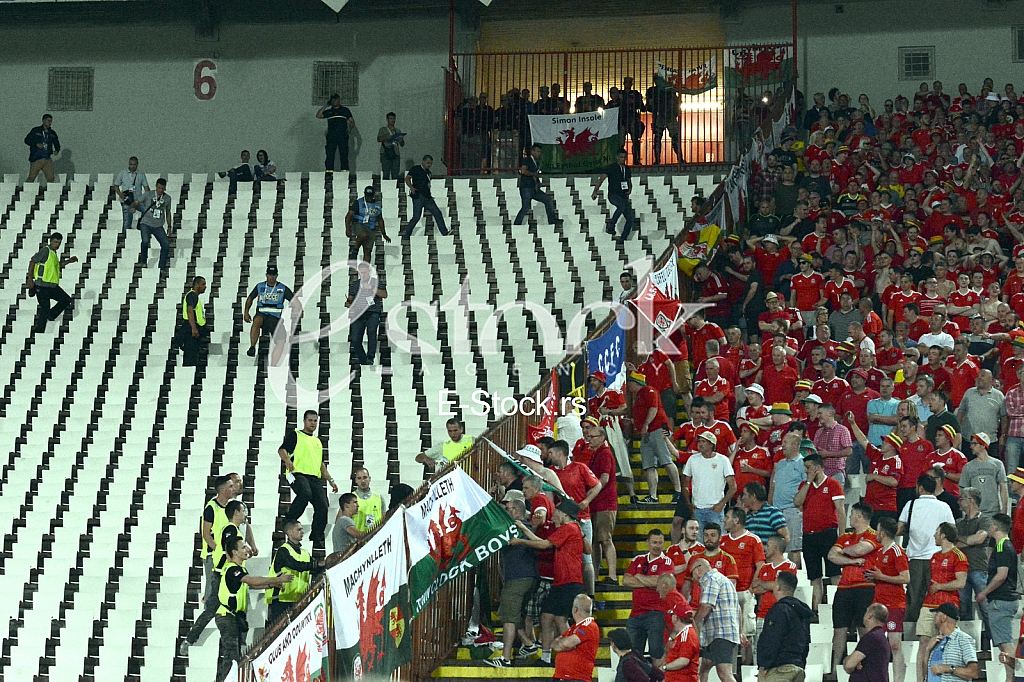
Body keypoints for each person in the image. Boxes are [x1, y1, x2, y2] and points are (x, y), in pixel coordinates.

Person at [510, 498, 586, 665]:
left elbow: (544, 545)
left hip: (570, 581)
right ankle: (546, 657)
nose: (554, 514)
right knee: (546, 617)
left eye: (557, 511)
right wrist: (523, 528)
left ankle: (573, 656)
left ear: (565, 514)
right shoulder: (570, 528)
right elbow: (542, 542)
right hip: (561, 581)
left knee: (560, 618)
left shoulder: (569, 528)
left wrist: (521, 540)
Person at [213, 536, 293, 682]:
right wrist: (278, 580)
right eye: (243, 547)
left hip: (233, 617)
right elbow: (253, 581)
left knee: (232, 656)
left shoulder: (238, 570)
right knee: (231, 657)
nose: (247, 549)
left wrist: (271, 585)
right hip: (227, 616)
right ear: (234, 552)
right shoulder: (233, 570)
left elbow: (253, 585)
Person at [179, 475, 234, 656]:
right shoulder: (211, 508)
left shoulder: (234, 509)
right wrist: (221, 552)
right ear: (223, 489)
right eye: (231, 486)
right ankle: (193, 637)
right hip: (215, 557)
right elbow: (206, 534)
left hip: (231, 558)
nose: (234, 489)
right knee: (213, 600)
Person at [826, 502, 881, 682]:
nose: (849, 518)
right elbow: (831, 555)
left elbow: (860, 549)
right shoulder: (846, 536)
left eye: (851, 515)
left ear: (859, 515)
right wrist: (852, 561)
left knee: (864, 628)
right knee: (838, 630)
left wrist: (846, 553)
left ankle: (868, 666)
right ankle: (835, 670)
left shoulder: (873, 535)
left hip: (865, 587)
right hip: (844, 588)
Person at [488, 498, 539, 668]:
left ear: (516, 511)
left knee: (509, 618)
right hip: (528, 578)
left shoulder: (514, 527)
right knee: (511, 613)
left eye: (508, 509)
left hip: (518, 578)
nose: (506, 512)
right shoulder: (525, 527)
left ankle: (506, 658)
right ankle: (528, 643)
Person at [899, 474, 956, 625]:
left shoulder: (910, 505)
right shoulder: (944, 507)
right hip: (937, 559)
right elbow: (952, 531)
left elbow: (899, 529)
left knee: (914, 597)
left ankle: (910, 632)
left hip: (915, 559)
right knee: (936, 596)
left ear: (921, 488)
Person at [278, 409, 339, 551]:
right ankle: (288, 519)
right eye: (310, 420)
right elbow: (282, 450)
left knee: (323, 505)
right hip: (297, 473)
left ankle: (316, 536)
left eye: (315, 421)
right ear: (304, 421)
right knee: (305, 493)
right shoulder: (296, 435)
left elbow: (320, 464)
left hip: (314, 477)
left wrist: (330, 480)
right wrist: (287, 461)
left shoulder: (317, 441)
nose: (313, 423)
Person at [915, 522, 968, 682]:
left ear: (944, 535)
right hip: (929, 604)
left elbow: (961, 583)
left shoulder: (958, 556)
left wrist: (940, 587)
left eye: (937, 532)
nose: (934, 536)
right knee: (924, 642)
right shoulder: (934, 556)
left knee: (944, 644)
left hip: (948, 606)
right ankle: (921, 679)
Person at [793, 453, 845, 615]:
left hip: (828, 534)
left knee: (835, 573)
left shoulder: (833, 484)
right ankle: (815, 611)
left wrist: (842, 537)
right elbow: (797, 502)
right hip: (809, 535)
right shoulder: (805, 485)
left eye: (808, 468)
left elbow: (841, 511)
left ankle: (839, 607)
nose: (806, 471)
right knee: (814, 576)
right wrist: (808, 481)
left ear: (817, 467)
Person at [863, 517, 909, 682]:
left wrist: (881, 576)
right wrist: (874, 578)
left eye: (877, 529)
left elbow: (905, 577)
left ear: (882, 532)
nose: (875, 532)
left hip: (894, 603)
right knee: (876, 644)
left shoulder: (897, 551)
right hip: (878, 603)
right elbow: (884, 577)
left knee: (894, 645)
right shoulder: (880, 552)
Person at [628, 372, 683, 506]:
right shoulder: (639, 396)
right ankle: (653, 496)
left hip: (658, 429)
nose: (628, 385)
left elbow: (653, 408)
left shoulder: (649, 390)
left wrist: (646, 423)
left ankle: (678, 491)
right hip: (646, 434)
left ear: (635, 383)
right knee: (649, 465)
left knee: (666, 460)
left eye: (630, 382)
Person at [976, 513, 1019, 682]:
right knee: (1003, 642)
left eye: (991, 525)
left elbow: (1001, 575)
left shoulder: (1002, 546)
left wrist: (984, 592)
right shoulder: (1005, 545)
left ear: (995, 527)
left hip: (1001, 600)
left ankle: (1011, 678)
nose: (989, 528)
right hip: (1004, 600)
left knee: (1005, 642)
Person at [624, 529, 674, 663]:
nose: (657, 546)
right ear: (647, 543)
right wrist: (650, 582)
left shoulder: (667, 561)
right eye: (654, 542)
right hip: (635, 614)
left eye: (660, 543)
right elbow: (626, 580)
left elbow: (661, 582)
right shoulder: (638, 559)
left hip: (655, 613)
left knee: (656, 652)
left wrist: (639, 576)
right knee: (633, 654)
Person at [690, 558, 741, 682]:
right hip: (720, 634)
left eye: (692, 575)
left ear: (698, 570)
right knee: (704, 668)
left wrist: (693, 623)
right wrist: (740, 631)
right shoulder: (724, 579)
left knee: (724, 673)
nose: (694, 580)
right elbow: (738, 609)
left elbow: (706, 605)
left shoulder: (711, 580)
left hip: (720, 634)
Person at [756, 571, 812, 682]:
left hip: (779, 670)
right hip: (798, 667)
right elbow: (806, 641)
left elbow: (771, 639)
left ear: (778, 587)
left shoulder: (779, 610)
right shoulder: (802, 612)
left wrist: (764, 665)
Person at [265, 519, 319, 626]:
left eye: (302, 529)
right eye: (299, 529)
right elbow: (295, 565)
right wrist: (319, 564)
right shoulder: (283, 551)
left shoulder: (305, 553)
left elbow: (316, 568)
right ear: (289, 532)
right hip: (281, 600)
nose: (302, 532)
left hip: (299, 599)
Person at [681, 432, 736, 534]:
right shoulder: (692, 459)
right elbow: (684, 484)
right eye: (699, 441)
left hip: (715, 510)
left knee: (718, 543)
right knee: (699, 545)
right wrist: (689, 504)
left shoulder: (723, 460)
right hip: (697, 510)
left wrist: (721, 504)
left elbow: (733, 487)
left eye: (704, 442)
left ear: (711, 444)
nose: (700, 444)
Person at [769, 432, 808, 569]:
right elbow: (773, 486)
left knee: (794, 548)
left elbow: (807, 488)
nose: (782, 445)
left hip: (793, 511)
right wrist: (770, 507)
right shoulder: (780, 464)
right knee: (776, 548)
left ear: (795, 445)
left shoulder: (803, 464)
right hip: (776, 512)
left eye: (785, 442)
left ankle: (797, 580)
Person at [26, 232, 77, 333]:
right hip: (42, 285)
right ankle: (39, 332)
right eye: (55, 242)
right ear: (51, 241)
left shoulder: (53, 254)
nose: (57, 244)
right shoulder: (46, 251)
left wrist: (69, 261)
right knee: (45, 308)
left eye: (59, 242)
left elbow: (57, 266)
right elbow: (32, 261)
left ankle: (51, 315)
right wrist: (30, 278)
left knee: (66, 299)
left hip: (52, 286)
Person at [954, 487, 991, 624]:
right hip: (961, 571)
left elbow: (978, 539)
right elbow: (953, 544)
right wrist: (970, 540)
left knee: (985, 608)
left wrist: (961, 539)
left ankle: (992, 642)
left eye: (961, 498)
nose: (958, 502)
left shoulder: (985, 520)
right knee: (963, 609)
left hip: (979, 568)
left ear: (971, 501)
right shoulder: (959, 522)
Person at [242, 266, 294, 358]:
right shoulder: (260, 286)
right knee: (257, 321)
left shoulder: (282, 288)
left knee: (281, 341)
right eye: (270, 275)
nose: (272, 277)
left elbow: (294, 300)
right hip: (262, 315)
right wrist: (246, 312)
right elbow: (250, 298)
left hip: (275, 319)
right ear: (266, 275)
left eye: (274, 275)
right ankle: (252, 347)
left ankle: (274, 362)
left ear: (277, 276)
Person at [922, 603, 980, 682]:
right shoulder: (935, 642)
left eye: (936, 615)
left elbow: (973, 672)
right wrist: (927, 650)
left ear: (943, 618)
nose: (934, 618)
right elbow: (926, 674)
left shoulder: (963, 639)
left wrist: (948, 668)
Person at [346, 262, 388, 366]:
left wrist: (372, 288)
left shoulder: (376, 282)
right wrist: (348, 303)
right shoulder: (355, 285)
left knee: (371, 333)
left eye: (364, 272)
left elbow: (384, 294)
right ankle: (363, 359)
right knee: (355, 339)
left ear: (368, 272)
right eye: (361, 272)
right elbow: (350, 298)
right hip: (358, 313)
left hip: (372, 312)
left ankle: (370, 357)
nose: (363, 274)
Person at [552, 595, 600, 682]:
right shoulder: (574, 627)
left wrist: (562, 643)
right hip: (562, 677)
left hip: (576, 678)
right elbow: (554, 644)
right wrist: (563, 644)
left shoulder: (589, 625)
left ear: (575, 609)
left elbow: (566, 643)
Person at [593, 149, 635, 244]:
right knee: (621, 206)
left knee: (630, 219)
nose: (623, 159)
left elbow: (629, 181)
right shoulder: (611, 168)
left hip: (623, 196)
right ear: (617, 157)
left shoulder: (627, 169)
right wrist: (595, 191)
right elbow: (601, 179)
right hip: (613, 194)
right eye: (621, 157)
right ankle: (611, 225)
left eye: (624, 157)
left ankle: (623, 238)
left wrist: (630, 189)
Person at [130, 178, 173, 270]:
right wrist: (133, 206)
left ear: (165, 188)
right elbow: (137, 202)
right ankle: (143, 261)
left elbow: (168, 212)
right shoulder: (148, 194)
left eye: (162, 188)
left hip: (158, 225)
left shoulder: (167, 198)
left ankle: (161, 267)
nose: (160, 190)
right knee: (145, 241)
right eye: (159, 188)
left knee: (166, 244)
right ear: (156, 187)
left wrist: (169, 226)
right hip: (146, 223)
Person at [960, 433, 1008, 516]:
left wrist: (1004, 508)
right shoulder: (968, 467)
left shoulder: (997, 464)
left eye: (974, 444)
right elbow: (963, 489)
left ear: (983, 445)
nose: (971, 446)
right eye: (971, 444)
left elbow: (1003, 487)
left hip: (993, 511)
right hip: (974, 512)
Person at [842, 602, 892, 682]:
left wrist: (850, 661)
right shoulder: (880, 637)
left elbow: (849, 665)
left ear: (870, 615)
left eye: (866, 611)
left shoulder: (871, 638)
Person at [403, 155, 449, 238]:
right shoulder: (415, 169)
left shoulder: (428, 173)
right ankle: (407, 235)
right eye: (428, 163)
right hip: (418, 196)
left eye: (431, 163)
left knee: (437, 213)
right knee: (416, 217)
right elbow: (407, 178)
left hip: (427, 197)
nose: (429, 165)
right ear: (423, 162)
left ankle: (445, 232)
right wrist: (411, 188)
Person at [514, 144, 559, 226]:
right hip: (526, 188)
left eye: (540, 152)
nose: (539, 154)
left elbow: (535, 175)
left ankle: (552, 219)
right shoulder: (527, 160)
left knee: (548, 199)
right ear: (532, 152)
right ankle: (516, 224)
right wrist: (533, 175)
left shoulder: (536, 163)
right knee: (526, 207)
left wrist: (538, 182)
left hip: (534, 188)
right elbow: (523, 171)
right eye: (537, 152)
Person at [345, 186, 391, 263]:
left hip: (371, 227)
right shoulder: (358, 203)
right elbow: (349, 216)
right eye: (367, 196)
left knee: (367, 251)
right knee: (363, 235)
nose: (368, 198)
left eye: (370, 196)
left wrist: (384, 234)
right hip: (358, 224)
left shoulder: (377, 206)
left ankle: (365, 270)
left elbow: (380, 219)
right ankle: (355, 250)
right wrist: (347, 229)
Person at [660, 603, 701, 681]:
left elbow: (683, 660)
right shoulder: (683, 634)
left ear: (675, 617)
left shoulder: (687, 635)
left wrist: (665, 667)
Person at [176, 276, 209, 368]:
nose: (205, 287)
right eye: (203, 284)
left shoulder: (194, 296)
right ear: (196, 285)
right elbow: (189, 310)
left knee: (192, 355)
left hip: (191, 327)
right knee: (190, 356)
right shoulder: (192, 295)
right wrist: (194, 329)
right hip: (190, 328)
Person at [317, 93, 355, 172]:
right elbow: (318, 115)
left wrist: (349, 130)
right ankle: (329, 172)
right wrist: (325, 106)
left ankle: (344, 172)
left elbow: (351, 121)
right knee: (330, 155)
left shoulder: (345, 110)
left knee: (344, 154)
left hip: (342, 136)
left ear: (339, 100)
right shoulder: (329, 111)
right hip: (331, 136)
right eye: (332, 100)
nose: (334, 101)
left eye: (336, 100)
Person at [113, 157, 150, 235]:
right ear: (129, 164)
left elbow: (146, 187)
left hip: (138, 200)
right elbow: (116, 185)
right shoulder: (122, 174)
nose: (132, 166)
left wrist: (146, 199)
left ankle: (144, 229)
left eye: (134, 165)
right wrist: (120, 194)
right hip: (127, 200)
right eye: (131, 164)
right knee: (127, 221)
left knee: (147, 211)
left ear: (137, 165)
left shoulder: (141, 174)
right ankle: (125, 237)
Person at [24, 113, 60, 183]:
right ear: (43, 121)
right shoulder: (36, 130)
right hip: (36, 158)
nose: (50, 123)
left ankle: (51, 192)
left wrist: (57, 150)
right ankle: (25, 191)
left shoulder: (52, 133)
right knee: (31, 177)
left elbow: (57, 143)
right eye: (48, 121)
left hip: (47, 159)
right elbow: (27, 140)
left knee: (51, 178)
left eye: (51, 121)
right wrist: (36, 144)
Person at [351, 467, 384, 532]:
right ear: (356, 481)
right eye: (359, 478)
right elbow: (341, 521)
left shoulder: (379, 498)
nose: (363, 481)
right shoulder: (350, 498)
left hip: (375, 538)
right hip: (357, 540)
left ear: (369, 479)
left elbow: (384, 520)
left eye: (365, 477)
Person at [377, 112, 405, 180]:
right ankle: (385, 187)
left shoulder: (397, 130)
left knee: (395, 172)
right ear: (387, 119)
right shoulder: (383, 129)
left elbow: (402, 144)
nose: (392, 120)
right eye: (390, 118)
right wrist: (386, 136)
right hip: (385, 152)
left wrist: (400, 140)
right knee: (386, 172)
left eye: (394, 119)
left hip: (395, 152)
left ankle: (394, 188)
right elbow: (378, 139)